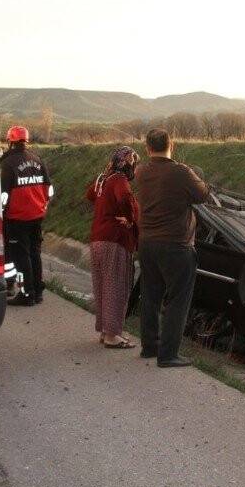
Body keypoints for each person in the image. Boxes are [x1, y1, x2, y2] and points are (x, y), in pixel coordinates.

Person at [135, 128, 210, 367]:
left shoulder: (141, 171)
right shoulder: (181, 172)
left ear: (147, 148)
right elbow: (203, 195)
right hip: (176, 244)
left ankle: (149, 346)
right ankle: (168, 355)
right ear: (172, 145)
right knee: (178, 299)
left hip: (147, 242)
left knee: (150, 296)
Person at [85, 146, 141, 349]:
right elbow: (124, 198)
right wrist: (130, 218)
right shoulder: (119, 180)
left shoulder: (104, 179)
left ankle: (105, 331)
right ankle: (112, 335)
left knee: (102, 286)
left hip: (98, 239)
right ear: (128, 164)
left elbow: (90, 195)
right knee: (116, 286)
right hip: (115, 240)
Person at [0, 125, 53, 306]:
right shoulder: (38, 160)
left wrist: (1, 212)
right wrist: (41, 205)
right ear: (26, 141)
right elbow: (49, 190)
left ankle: (26, 293)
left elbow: (3, 194)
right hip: (37, 215)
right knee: (35, 253)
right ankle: (38, 292)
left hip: (16, 218)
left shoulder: (7, 163)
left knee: (21, 256)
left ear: (10, 141)